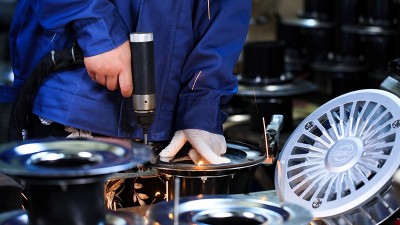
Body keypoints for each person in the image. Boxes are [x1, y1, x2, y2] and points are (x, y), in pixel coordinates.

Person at [8, 0, 251, 207]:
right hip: (73, 103)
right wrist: (96, 28)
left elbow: (226, 11)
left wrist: (201, 105)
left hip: (172, 128)